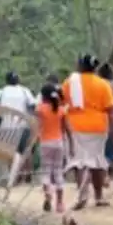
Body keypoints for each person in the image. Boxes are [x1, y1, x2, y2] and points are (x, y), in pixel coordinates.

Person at [64, 54, 113, 210]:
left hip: (76, 126)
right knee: (97, 161)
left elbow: (62, 104)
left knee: (80, 161)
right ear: (95, 67)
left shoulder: (69, 83)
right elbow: (112, 108)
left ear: (80, 66)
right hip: (98, 126)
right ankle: (99, 196)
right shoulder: (102, 84)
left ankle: (82, 195)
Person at [36, 84, 73, 213]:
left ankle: (48, 193)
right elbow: (67, 129)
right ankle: (60, 203)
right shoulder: (61, 110)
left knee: (46, 171)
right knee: (58, 172)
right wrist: (71, 144)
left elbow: (38, 127)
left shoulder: (40, 109)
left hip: (45, 143)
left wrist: (34, 141)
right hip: (59, 143)